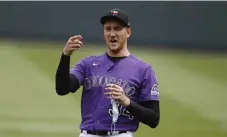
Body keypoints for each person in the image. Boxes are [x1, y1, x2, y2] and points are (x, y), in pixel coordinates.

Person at [55, 8, 160, 137]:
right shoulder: (87, 64)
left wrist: (127, 102)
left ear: (128, 32)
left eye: (117, 29)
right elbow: (62, 89)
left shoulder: (144, 70)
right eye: (108, 29)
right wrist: (65, 56)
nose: (112, 34)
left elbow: (153, 119)